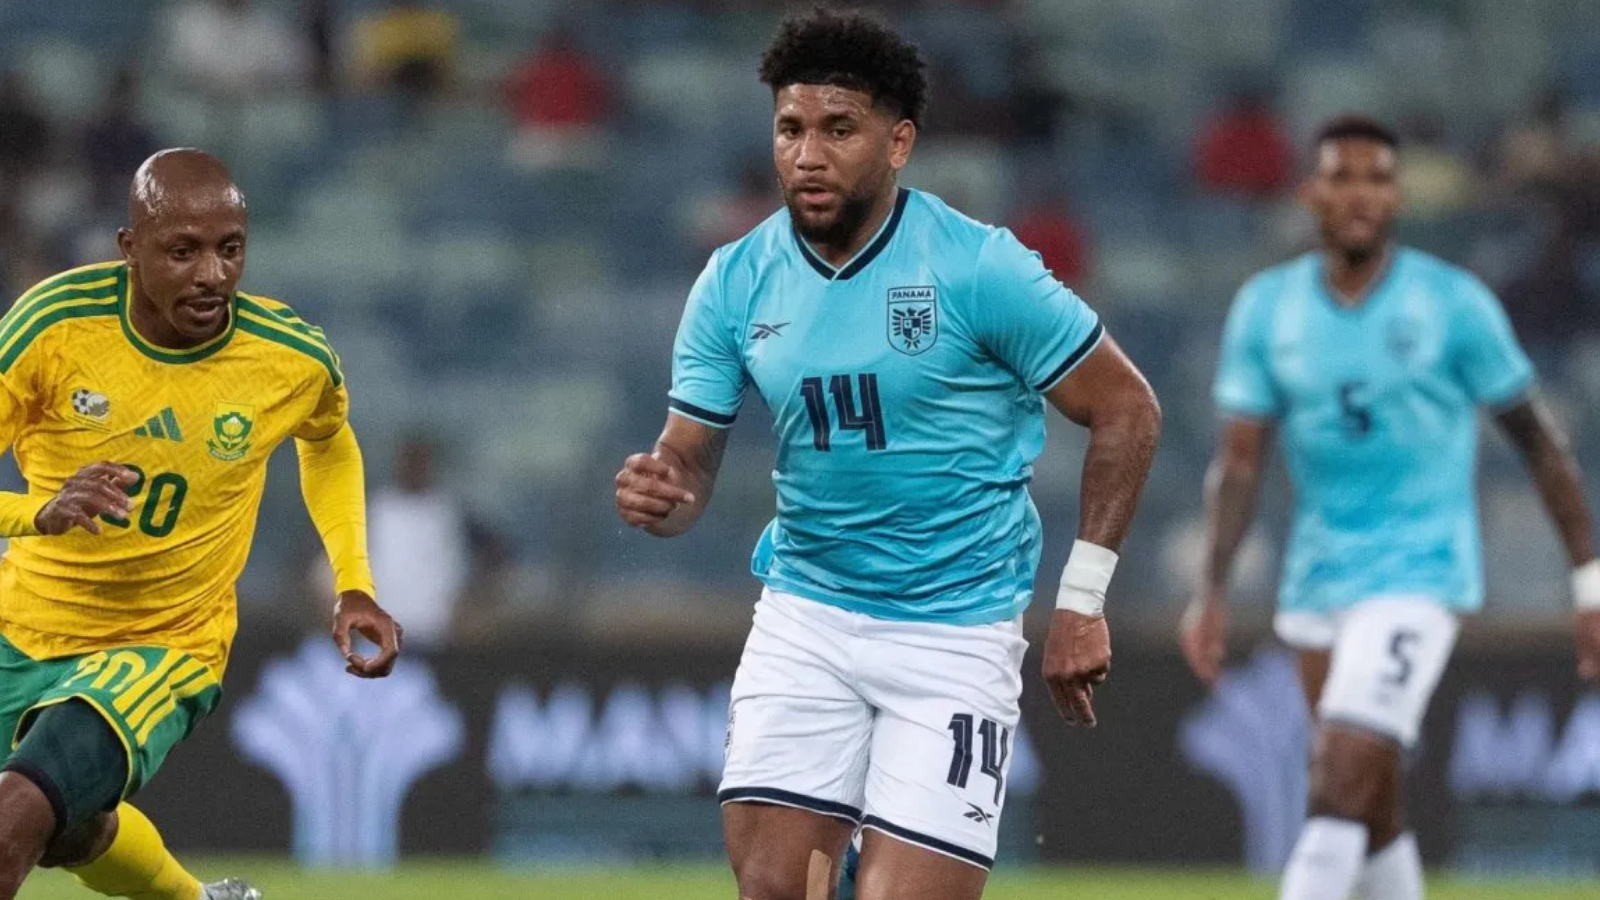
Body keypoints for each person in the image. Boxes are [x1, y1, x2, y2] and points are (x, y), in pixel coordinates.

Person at [613, 9, 1161, 900]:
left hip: (955, 630)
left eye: (839, 129)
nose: (808, 155)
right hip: (808, 616)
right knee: (774, 890)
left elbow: (1127, 408)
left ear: (898, 142)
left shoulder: (978, 267)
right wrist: (663, 490)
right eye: (790, 129)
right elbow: (690, 460)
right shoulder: (734, 280)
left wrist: (1082, 600)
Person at [1181, 114, 1600, 900]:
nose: (1360, 193)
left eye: (1377, 178)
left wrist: (1589, 582)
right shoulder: (1267, 308)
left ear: (1397, 196)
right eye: (1341, 176)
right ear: (1311, 193)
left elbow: (1541, 444)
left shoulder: (1453, 303)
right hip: (1318, 577)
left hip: (1419, 572)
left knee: (1338, 777)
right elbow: (1238, 466)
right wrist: (1211, 589)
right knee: (1369, 802)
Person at [0, 149, 403, 900]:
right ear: (130, 249)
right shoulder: (54, 327)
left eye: (230, 249)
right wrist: (36, 513)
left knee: (14, 817)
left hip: (164, 643)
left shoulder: (287, 357)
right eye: (182, 251)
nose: (212, 274)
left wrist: (354, 582)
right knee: (70, 832)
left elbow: (328, 441)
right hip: (21, 627)